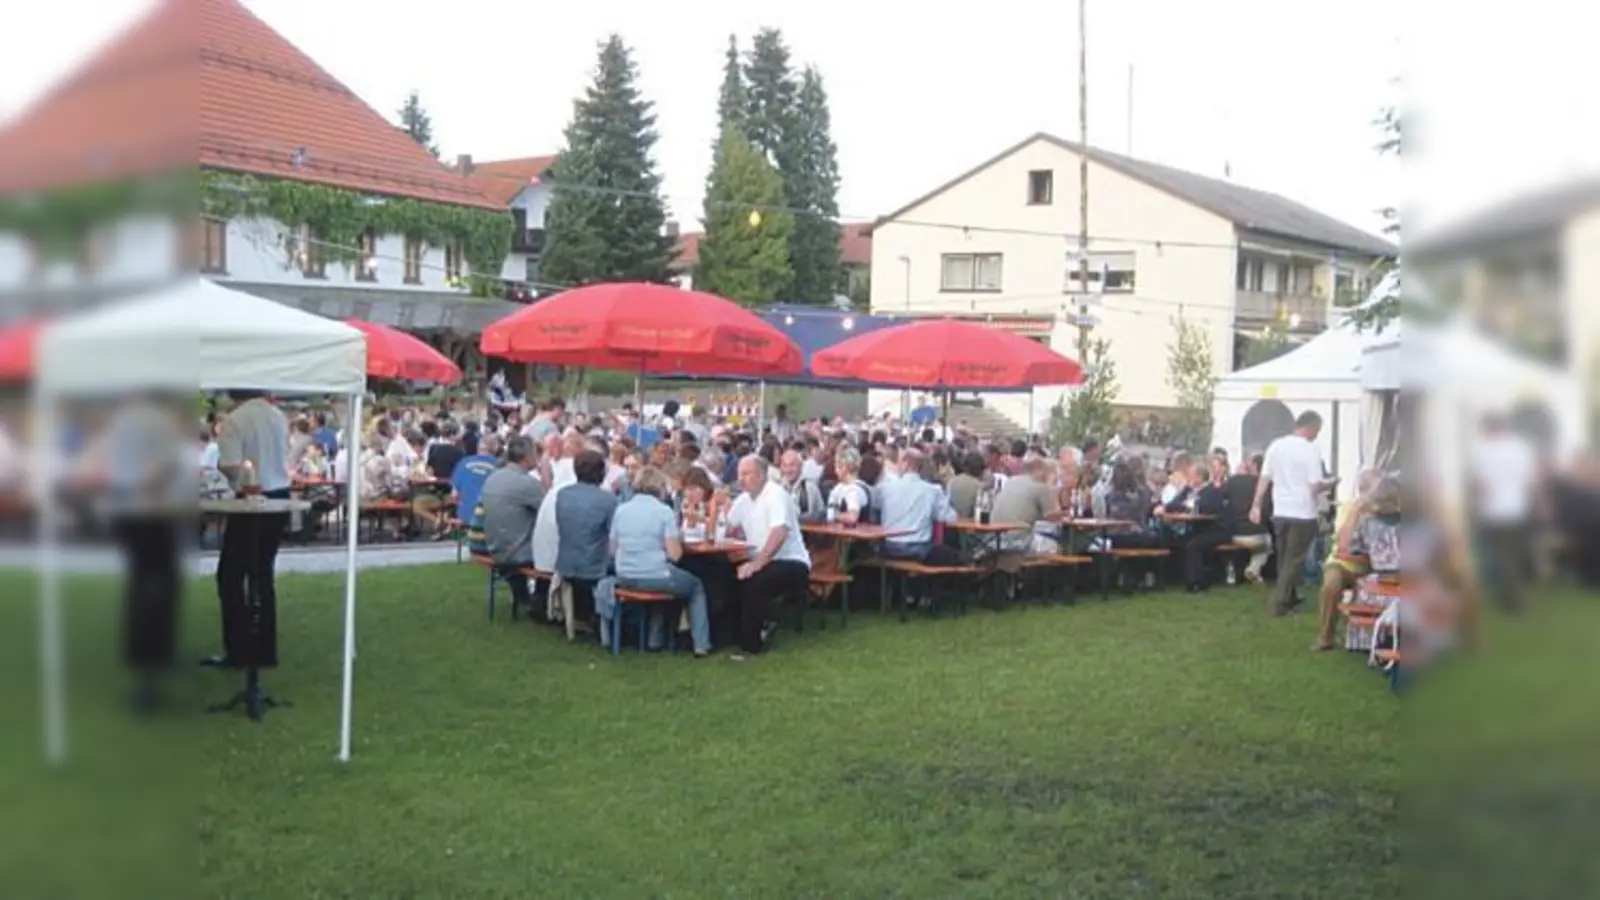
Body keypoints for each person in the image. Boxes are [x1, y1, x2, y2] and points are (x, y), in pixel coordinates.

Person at [107, 395, 189, 711]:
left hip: (129, 511)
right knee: (159, 587)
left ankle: (147, 658)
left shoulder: (123, 418)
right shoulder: (159, 419)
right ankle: (152, 664)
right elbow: (165, 463)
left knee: (141, 584)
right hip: (152, 510)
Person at [210, 390, 292, 669]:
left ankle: (239, 649)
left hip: (251, 498)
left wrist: (226, 474)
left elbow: (233, 467)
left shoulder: (235, 421)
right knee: (262, 573)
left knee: (231, 576)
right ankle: (265, 648)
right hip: (279, 495)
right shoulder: (277, 416)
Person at [608, 466, 712, 657]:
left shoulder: (621, 510)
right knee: (695, 586)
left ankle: (655, 638)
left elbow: (612, 550)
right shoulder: (664, 512)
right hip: (656, 575)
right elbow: (675, 555)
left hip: (625, 574)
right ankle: (701, 644)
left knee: (662, 583)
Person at [722, 455, 811, 660]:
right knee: (725, 575)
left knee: (756, 582)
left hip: (791, 561)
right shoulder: (744, 499)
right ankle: (732, 634)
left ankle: (752, 646)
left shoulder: (775, 495)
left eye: (746, 474)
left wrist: (757, 563)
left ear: (761, 475)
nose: (741, 480)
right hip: (761, 558)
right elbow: (728, 525)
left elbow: (779, 532)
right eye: (739, 475)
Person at [1251, 410, 1333, 616]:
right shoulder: (1311, 450)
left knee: (1283, 557)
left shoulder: (1276, 445)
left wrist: (1256, 504)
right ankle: (1279, 603)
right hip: (1302, 511)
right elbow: (1314, 486)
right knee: (1293, 560)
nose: (1317, 435)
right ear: (1311, 427)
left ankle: (1291, 596)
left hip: (1280, 510)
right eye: (1317, 430)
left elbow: (1264, 478)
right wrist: (1331, 483)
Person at [1312, 474, 1403, 651]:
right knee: (1333, 583)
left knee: (1371, 588)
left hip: (1375, 574)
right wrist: (1356, 511)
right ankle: (1325, 636)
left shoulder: (1371, 522)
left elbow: (1351, 547)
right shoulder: (1351, 509)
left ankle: (1369, 639)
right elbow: (1342, 544)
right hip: (1350, 566)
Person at [1468, 411, 1539, 612]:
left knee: (1503, 557)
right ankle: (1511, 596)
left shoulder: (1481, 450)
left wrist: (1475, 507)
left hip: (1494, 511)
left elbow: (1479, 485)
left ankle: (1515, 599)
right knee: (1513, 555)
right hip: (1518, 508)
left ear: (1488, 427)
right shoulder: (1520, 447)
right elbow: (1531, 479)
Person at [479, 437, 546, 614]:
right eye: (536, 454)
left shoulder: (493, 478)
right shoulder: (527, 484)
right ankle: (544, 603)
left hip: (495, 546)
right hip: (518, 551)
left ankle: (529, 597)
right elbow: (549, 512)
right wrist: (546, 475)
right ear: (527, 457)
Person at [554, 449, 618, 627]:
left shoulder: (563, 494)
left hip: (565, 562)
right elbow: (616, 535)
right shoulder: (607, 500)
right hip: (594, 567)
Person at [1222, 453, 1272, 583]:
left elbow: (1222, 495)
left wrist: (1237, 476)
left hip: (1235, 534)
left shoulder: (1234, 481)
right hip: (1257, 536)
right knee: (1268, 543)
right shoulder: (1266, 485)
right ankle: (1254, 568)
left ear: (1253, 465)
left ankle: (1246, 570)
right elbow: (1267, 512)